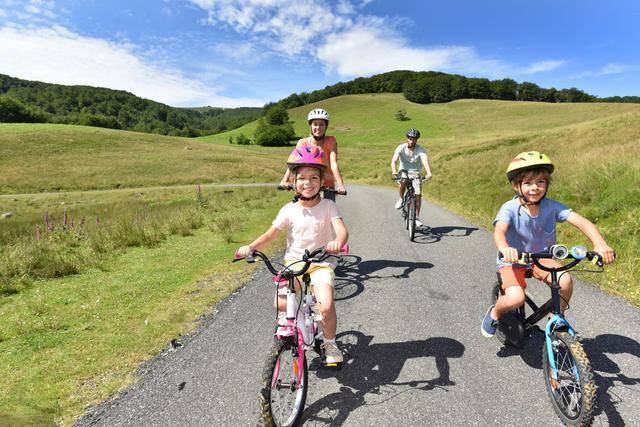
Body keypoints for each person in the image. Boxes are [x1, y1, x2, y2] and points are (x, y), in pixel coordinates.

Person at [481, 151, 615, 338]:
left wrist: (600, 244)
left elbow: (583, 222)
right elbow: (500, 232)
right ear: (515, 185)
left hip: (541, 257)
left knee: (565, 281)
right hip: (513, 259)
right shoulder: (509, 208)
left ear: (547, 184)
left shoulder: (551, 206)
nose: (534, 188)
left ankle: (557, 315)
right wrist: (505, 248)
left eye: (540, 182)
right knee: (516, 298)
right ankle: (494, 313)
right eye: (527, 183)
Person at [238, 145, 349, 364]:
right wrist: (250, 247)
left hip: (321, 263)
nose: (307, 183)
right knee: (279, 303)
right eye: (302, 178)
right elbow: (270, 235)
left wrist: (338, 242)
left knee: (325, 306)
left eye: (313, 178)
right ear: (294, 182)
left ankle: (329, 343)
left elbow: (342, 231)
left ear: (322, 181)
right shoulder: (289, 210)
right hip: (294, 263)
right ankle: (292, 325)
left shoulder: (328, 206)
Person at [279, 108, 346, 201]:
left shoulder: (331, 141)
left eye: (321, 124)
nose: (318, 128)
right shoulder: (302, 142)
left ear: (326, 126)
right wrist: (284, 180)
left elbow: (334, 164)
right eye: (315, 124)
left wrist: (340, 185)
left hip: (327, 183)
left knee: (330, 209)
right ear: (310, 125)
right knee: (299, 209)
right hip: (307, 183)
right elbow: (293, 164)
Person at [390, 128, 433, 227]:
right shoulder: (400, 147)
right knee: (403, 180)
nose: (411, 141)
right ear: (407, 139)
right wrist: (394, 170)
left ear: (416, 140)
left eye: (413, 139)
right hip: (403, 170)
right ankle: (401, 199)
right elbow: (394, 161)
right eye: (409, 138)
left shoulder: (420, 150)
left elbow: (425, 162)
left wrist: (428, 172)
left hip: (415, 172)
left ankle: (416, 217)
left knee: (417, 193)